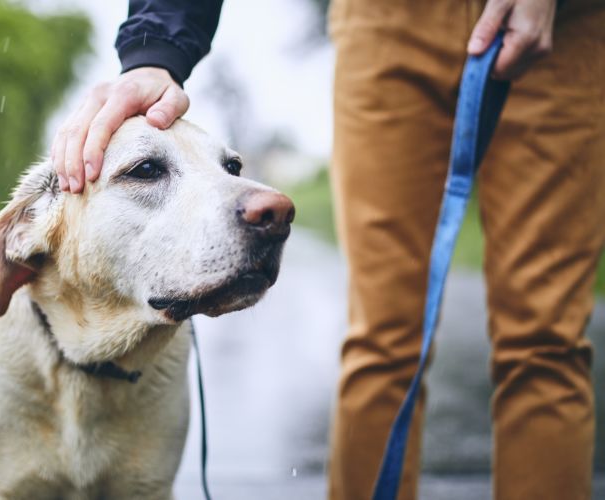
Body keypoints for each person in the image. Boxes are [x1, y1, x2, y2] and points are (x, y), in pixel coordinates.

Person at [52, 1, 605, 499]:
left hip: (563, 23)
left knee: (545, 342)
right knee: (385, 337)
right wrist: (155, 49)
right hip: (388, 22)